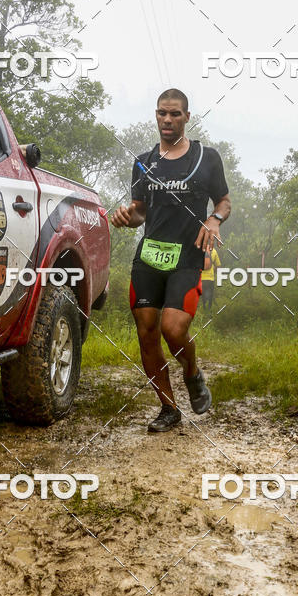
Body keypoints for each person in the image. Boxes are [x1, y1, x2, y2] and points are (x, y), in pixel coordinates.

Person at [111, 88, 231, 433]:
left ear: (187, 118)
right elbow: (140, 212)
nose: (167, 119)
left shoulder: (207, 158)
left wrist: (214, 219)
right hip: (149, 257)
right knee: (147, 333)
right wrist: (126, 216)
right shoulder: (143, 161)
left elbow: (223, 201)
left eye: (175, 114)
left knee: (173, 329)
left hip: (188, 257)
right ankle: (168, 407)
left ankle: (192, 372)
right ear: (156, 114)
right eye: (162, 113)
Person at [200, 246, 221, 311]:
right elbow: (218, 265)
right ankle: (209, 309)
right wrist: (214, 270)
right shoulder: (214, 251)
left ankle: (203, 309)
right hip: (210, 278)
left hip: (201, 278)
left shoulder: (199, 250)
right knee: (210, 295)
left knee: (203, 295)